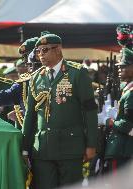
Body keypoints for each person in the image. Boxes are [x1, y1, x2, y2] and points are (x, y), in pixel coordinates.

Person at [22, 33, 98, 189]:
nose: (40, 55)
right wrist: (24, 147)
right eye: (38, 51)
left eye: (45, 50)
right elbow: (30, 115)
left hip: (70, 148)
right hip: (43, 149)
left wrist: (91, 144)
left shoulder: (77, 73)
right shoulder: (35, 78)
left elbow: (90, 110)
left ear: (58, 50)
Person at [98, 48, 133, 175]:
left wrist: (108, 121)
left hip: (123, 149)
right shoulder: (127, 90)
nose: (119, 69)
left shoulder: (131, 93)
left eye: (124, 66)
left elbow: (127, 124)